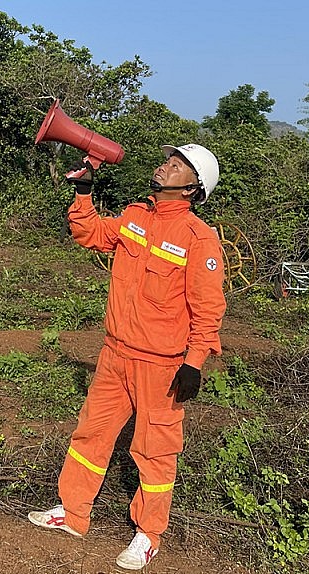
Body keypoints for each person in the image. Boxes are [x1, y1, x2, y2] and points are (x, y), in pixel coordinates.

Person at [28, 144, 226, 570]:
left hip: (162, 364)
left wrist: (194, 362)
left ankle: (148, 535)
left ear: (193, 188)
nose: (165, 165)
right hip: (115, 353)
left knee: (154, 449)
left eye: (176, 165)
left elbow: (208, 307)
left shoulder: (198, 238)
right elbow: (92, 235)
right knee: (91, 436)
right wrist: (84, 193)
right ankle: (73, 513)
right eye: (167, 159)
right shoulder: (136, 215)